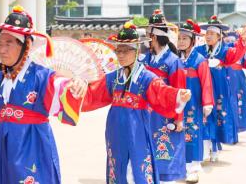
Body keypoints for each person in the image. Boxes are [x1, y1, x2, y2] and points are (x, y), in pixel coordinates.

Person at [71, 22, 191, 184]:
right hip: (114, 130)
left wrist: (178, 94)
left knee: (137, 166)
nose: (120, 55)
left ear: (136, 51)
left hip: (137, 130)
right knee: (117, 164)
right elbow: (93, 94)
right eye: (118, 50)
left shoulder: (147, 77)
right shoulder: (113, 77)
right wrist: (74, 89)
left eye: (125, 51)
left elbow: (162, 92)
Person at [0, 6, 82, 183]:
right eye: (0, 44)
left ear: (26, 46)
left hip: (33, 144)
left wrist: (75, 85)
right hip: (4, 147)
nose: (2, 50)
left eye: (8, 44)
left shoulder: (42, 76)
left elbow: (60, 86)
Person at [194, 15, 246, 161]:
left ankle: (215, 147)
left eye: (212, 34)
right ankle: (208, 148)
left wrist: (242, 38)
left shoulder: (225, 50)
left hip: (219, 89)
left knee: (218, 116)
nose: (208, 36)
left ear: (219, 36)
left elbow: (238, 53)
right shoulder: (199, 50)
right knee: (204, 117)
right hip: (203, 87)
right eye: (207, 33)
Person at [141, 9, 187, 184]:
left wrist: (179, 118)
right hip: (146, 112)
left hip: (164, 113)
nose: (146, 38)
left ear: (153, 37)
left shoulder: (173, 61)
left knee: (166, 149)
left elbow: (180, 90)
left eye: (147, 34)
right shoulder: (144, 60)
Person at [177, 19, 214, 183]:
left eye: (185, 38)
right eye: (179, 38)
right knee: (179, 132)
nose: (181, 41)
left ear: (192, 40)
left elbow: (206, 82)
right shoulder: (175, 59)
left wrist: (207, 103)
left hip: (194, 104)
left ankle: (194, 168)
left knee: (193, 132)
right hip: (178, 103)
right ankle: (181, 167)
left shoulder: (199, 60)